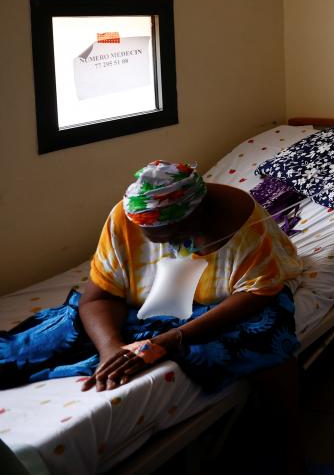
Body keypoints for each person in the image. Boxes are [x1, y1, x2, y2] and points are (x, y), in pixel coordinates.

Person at [0, 161, 303, 465]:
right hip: (143, 305)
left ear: (198, 212)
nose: (171, 248)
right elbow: (98, 297)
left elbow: (257, 293)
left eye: (173, 236)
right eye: (156, 240)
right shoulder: (126, 218)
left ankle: (289, 448)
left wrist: (172, 339)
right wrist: (111, 349)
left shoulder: (242, 220)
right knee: (58, 334)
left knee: (268, 338)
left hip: (229, 302)